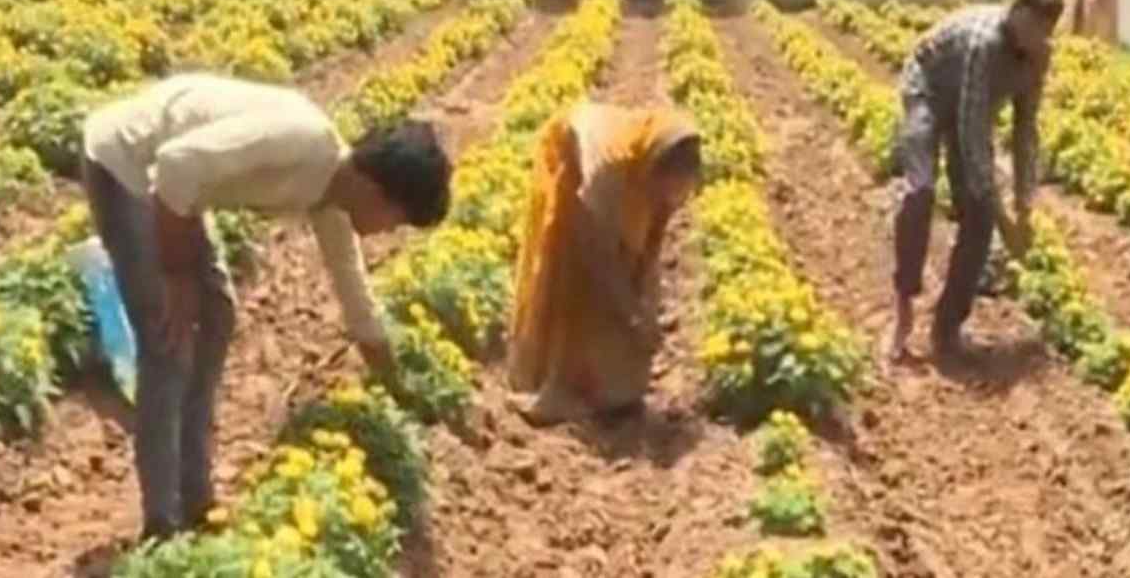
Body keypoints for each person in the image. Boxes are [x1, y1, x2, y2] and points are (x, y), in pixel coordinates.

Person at [79, 72, 451, 541]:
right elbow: (174, 166)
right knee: (169, 339)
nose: (390, 231)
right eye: (398, 220)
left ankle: (195, 499)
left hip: (177, 188)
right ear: (378, 192)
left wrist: (398, 387)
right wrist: (175, 274)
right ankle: (162, 526)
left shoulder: (331, 195)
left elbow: (354, 292)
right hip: (127, 165)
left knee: (216, 314)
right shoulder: (305, 143)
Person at [889, 0, 1063, 364]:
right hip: (929, 89)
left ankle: (947, 329)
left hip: (971, 106)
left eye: (1046, 32)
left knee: (979, 216)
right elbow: (971, 132)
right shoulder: (985, 44)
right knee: (921, 191)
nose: (1038, 38)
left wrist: (1024, 204)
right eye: (1033, 27)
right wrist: (1005, 218)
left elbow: (1025, 129)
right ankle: (903, 305)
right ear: (1016, 12)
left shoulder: (1038, 57)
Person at [507, 102, 702, 425]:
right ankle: (552, 387)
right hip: (572, 167)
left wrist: (647, 309)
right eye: (664, 191)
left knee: (623, 282)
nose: (669, 200)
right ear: (655, 171)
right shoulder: (609, 167)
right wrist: (630, 312)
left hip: (619, 188)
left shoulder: (660, 175)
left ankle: (605, 383)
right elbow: (594, 250)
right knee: (574, 277)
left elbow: (652, 245)